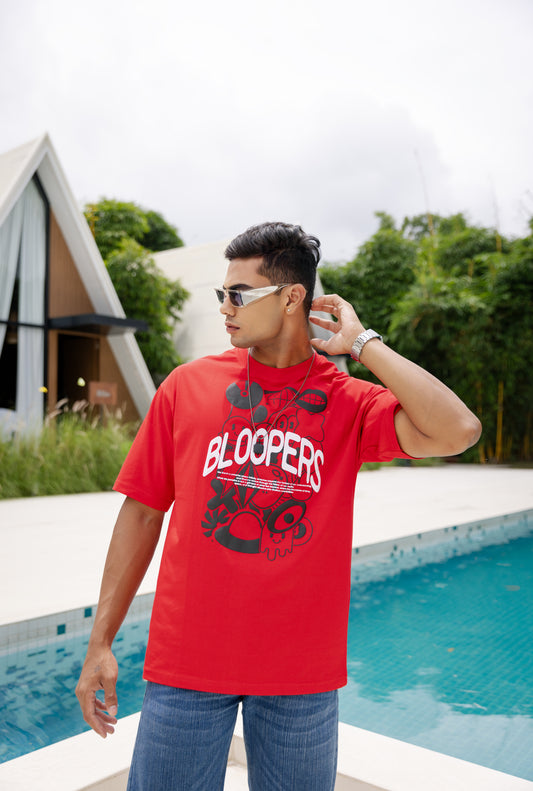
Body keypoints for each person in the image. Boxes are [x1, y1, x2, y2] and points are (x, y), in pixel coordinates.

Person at [76, 221, 481, 790]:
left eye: (239, 295)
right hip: (188, 663)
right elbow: (142, 512)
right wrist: (100, 642)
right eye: (223, 293)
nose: (226, 307)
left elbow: (458, 430)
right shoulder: (187, 387)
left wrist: (363, 346)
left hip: (300, 674)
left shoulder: (347, 401)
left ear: (293, 298)